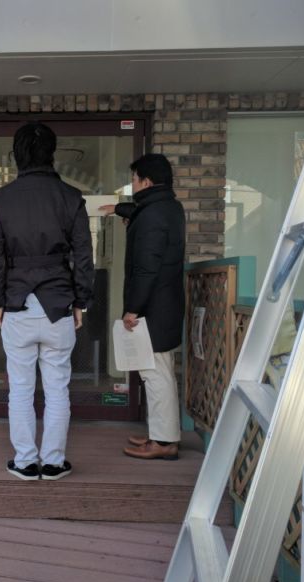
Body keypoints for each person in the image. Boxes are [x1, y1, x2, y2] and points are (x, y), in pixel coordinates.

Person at [0, 122, 94, 481]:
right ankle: (54, 462)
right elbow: (83, 256)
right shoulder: (72, 197)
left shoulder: (2, 198)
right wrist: (82, 302)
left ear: (17, 155)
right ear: (52, 153)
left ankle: (26, 461)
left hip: (16, 304)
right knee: (58, 386)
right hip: (59, 304)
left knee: (21, 388)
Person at [100, 153, 185, 460]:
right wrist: (117, 209)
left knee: (155, 373)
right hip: (166, 305)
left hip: (154, 307)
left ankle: (163, 442)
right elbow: (139, 211)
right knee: (160, 372)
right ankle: (162, 434)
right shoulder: (167, 208)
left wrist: (132, 308)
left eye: (134, 180)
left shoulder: (152, 216)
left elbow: (147, 268)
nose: (132, 185)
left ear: (146, 181)